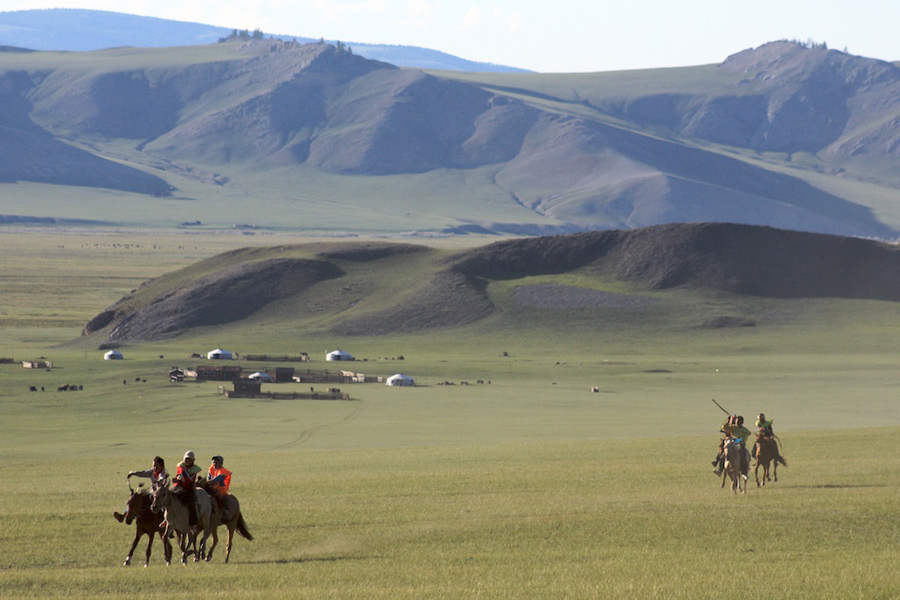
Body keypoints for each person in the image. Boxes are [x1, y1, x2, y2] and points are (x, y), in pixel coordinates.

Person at [114, 456, 169, 523]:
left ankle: (164, 521)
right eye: (154, 465)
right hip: (152, 493)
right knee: (135, 499)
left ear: (162, 466)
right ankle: (124, 515)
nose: (155, 467)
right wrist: (133, 473)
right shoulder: (152, 472)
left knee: (163, 507)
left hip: (161, 495)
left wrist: (158, 481)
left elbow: (162, 478)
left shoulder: (163, 473)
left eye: (157, 466)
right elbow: (143, 473)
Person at [173, 450, 202, 526]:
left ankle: (193, 522)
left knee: (191, 502)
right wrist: (176, 480)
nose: (187, 461)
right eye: (186, 459)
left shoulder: (194, 469)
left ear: (193, 460)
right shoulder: (180, 467)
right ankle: (165, 520)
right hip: (178, 487)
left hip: (188, 488)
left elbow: (189, 480)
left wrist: (180, 480)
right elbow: (179, 476)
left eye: (189, 459)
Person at [207, 455, 233, 522]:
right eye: (213, 462)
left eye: (216, 462)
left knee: (223, 499)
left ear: (221, 463)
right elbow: (208, 478)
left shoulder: (223, 472)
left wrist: (208, 482)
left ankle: (226, 513)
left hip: (221, 490)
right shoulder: (211, 469)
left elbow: (216, 479)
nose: (214, 464)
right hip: (211, 489)